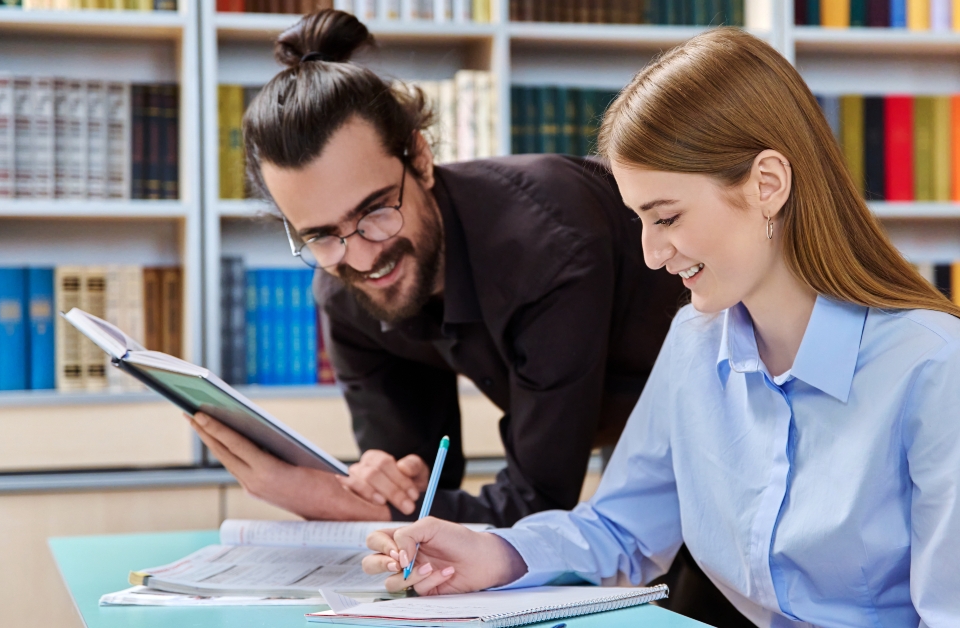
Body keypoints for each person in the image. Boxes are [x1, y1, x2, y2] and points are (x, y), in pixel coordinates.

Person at [361, 27, 960, 627]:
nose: (652, 255)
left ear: (767, 185)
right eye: (639, 222)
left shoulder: (935, 367)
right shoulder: (697, 341)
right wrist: (491, 551)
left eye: (666, 218)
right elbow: (623, 530)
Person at [187, 10, 752, 627]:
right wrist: (379, 487)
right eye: (321, 235)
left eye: (376, 211)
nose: (361, 255)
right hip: (627, 492)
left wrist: (325, 501)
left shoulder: (547, 249)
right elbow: (428, 507)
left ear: (421, 160)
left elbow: (536, 502)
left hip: (733, 413)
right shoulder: (343, 288)